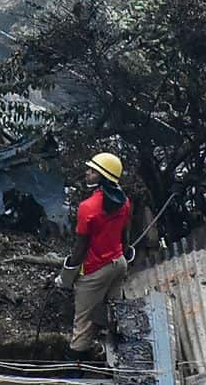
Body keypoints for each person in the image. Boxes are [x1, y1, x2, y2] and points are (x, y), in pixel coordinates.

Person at [55, 152, 132, 360]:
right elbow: (124, 236)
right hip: (119, 264)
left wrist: (66, 275)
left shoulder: (87, 208)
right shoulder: (124, 202)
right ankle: (119, 361)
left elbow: (80, 248)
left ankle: (74, 372)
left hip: (95, 270)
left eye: (92, 171)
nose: (87, 173)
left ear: (104, 176)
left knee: (83, 324)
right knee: (114, 315)